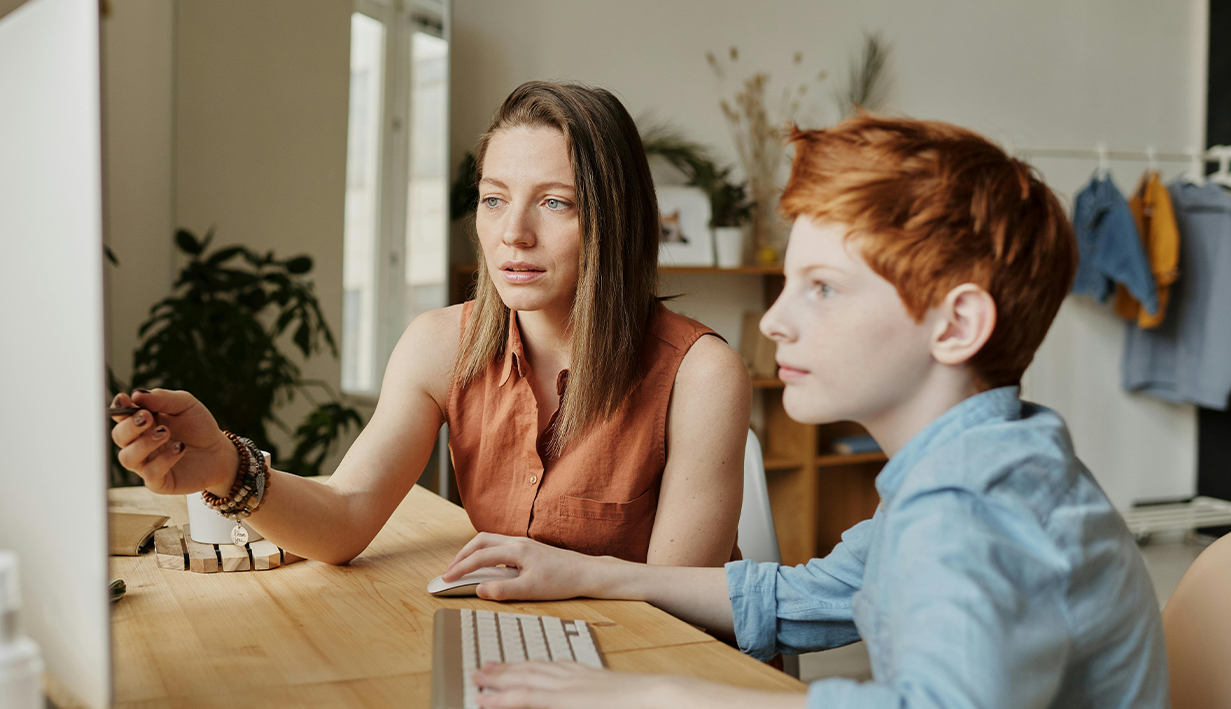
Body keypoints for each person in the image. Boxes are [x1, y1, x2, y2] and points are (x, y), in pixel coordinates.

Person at [441, 115, 1169, 708]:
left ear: (955, 325)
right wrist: (588, 571)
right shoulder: (984, 463)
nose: (774, 322)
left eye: (822, 288)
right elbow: (804, 596)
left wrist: (659, 694)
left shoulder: (971, 508)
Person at [110, 81, 752, 568]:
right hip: (521, 645)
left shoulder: (701, 375)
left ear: (617, 220)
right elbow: (345, 518)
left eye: (555, 203)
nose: (513, 233)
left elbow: (678, 607)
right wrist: (227, 467)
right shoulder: (441, 344)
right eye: (494, 199)